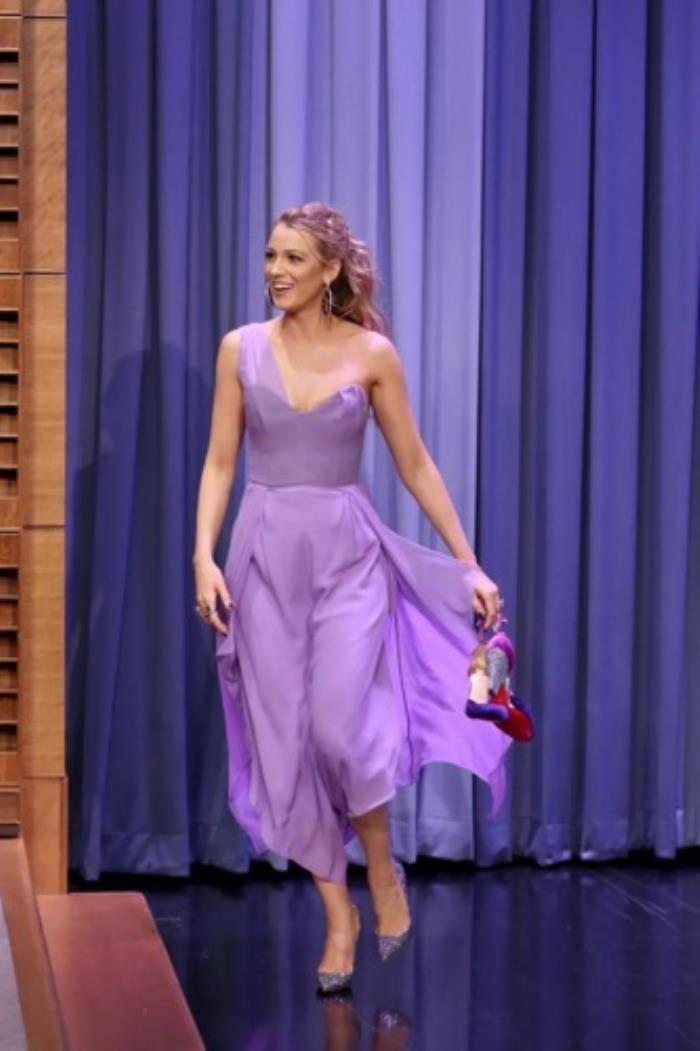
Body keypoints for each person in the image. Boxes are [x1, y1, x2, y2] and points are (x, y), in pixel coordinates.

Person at [192, 202, 511, 994]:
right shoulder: (240, 348)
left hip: (348, 556)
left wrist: (469, 564)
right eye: (271, 255)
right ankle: (339, 916)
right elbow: (221, 462)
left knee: (339, 728)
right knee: (284, 741)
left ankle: (381, 867)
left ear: (330, 269)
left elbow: (416, 462)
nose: (276, 270)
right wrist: (203, 555)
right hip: (264, 556)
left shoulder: (372, 354)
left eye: (293, 258)